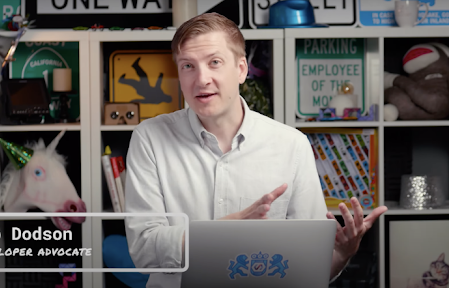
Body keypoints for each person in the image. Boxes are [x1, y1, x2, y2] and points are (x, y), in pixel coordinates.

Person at [123, 12, 388, 288]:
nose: (201, 79)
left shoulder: (291, 145)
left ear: (241, 69)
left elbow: (310, 269)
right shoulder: (150, 138)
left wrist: (344, 253)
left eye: (214, 62)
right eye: (188, 66)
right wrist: (227, 229)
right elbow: (143, 252)